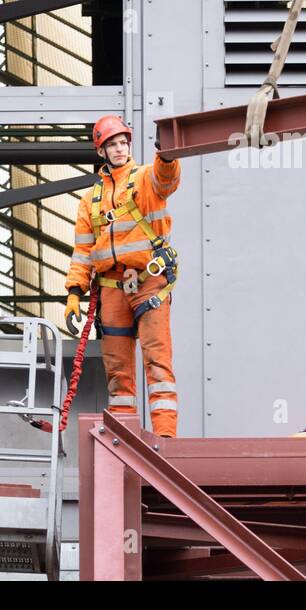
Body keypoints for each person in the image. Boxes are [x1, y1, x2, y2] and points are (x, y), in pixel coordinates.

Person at [65, 116, 181, 437]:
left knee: (158, 364)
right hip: (111, 291)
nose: (119, 148)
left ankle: (166, 440)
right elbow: (83, 252)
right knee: (118, 376)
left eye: (123, 142)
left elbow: (166, 180)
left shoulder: (145, 178)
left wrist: (167, 154)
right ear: (101, 151)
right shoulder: (90, 201)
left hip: (149, 283)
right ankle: (124, 443)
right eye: (112, 144)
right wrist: (74, 291)